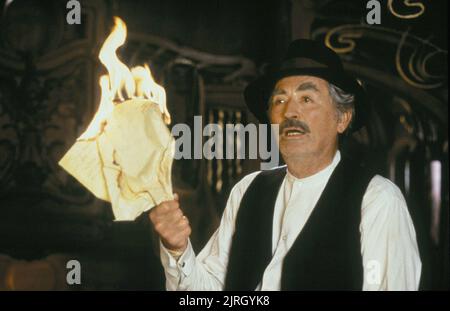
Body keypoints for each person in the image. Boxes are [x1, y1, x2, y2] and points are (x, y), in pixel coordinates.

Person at [148, 39, 422, 290]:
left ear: (342, 119)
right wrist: (178, 248)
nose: (290, 112)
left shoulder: (377, 200)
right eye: (279, 100)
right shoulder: (248, 191)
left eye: (306, 99)